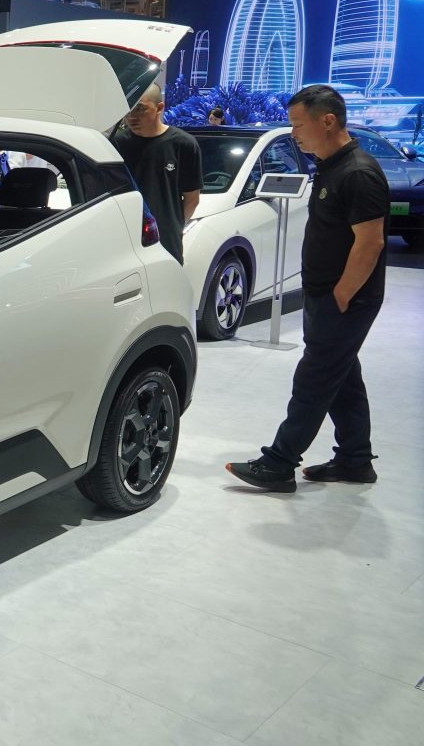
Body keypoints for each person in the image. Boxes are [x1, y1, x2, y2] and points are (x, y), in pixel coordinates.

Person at [227, 85, 390, 492]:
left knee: (315, 380)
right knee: (341, 378)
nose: (294, 132)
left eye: (298, 124)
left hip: (346, 299)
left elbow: (370, 242)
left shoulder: (358, 172)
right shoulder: (332, 166)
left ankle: (279, 463)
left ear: (328, 120)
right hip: (327, 295)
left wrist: (342, 294)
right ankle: (354, 461)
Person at [107, 84, 201, 263]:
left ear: (159, 108)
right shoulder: (117, 145)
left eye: (140, 109)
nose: (131, 117)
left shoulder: (184, 144)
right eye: (127, 111)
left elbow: (192, 199)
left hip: (165, 241)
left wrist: (172, 228)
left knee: (166, 288)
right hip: (123, 239)